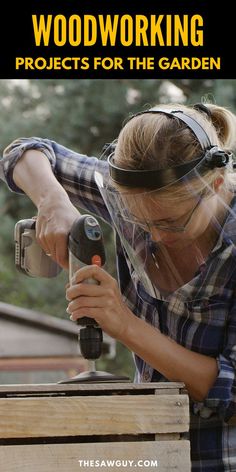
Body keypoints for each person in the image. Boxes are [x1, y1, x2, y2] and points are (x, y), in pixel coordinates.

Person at [1, 102, 236, 471]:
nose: (154, 235)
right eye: (138, 221)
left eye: (170, 222)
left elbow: (231, 393)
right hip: (145, 456)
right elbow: (23, 152)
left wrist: (124, 324)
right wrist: (53, 200)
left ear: (216, 185)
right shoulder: (127, 192)